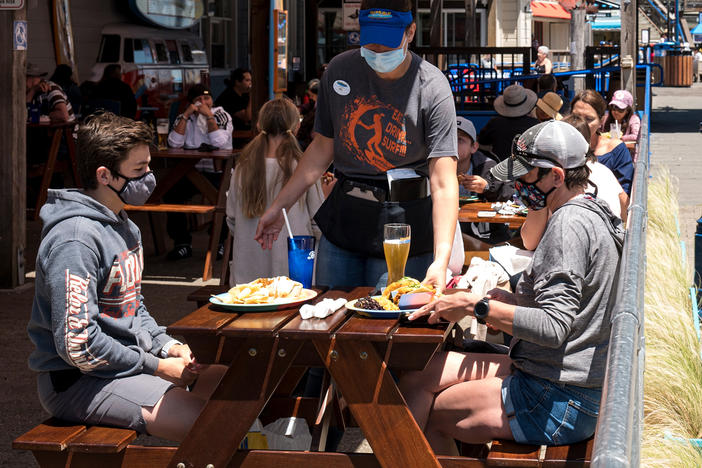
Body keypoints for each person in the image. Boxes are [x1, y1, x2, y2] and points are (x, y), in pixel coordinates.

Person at [399, 120, 624, 452]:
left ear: (557, 177)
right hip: (565, 377)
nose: (518, 183)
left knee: (435, 408)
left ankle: (403, 456)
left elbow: (554, 327)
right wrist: (514, 301)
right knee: (419, 376)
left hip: (558, 395)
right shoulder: (591, 210)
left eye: (526, 175)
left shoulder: (566, 227)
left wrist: (475, 306)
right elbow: (572, 310)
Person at [27, 112, 226, 442]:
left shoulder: (124, 225)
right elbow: (79, 345)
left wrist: (167, 345)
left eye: (149, 166)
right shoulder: (75, 240)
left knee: (228, 385)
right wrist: (156, 366)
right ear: (104, 175)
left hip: (123, 366)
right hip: (76, 381)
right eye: (139, 170)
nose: (149, 177)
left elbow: (132, 306)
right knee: (214, 425)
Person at [255, 0, 459, 292]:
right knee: (329, 310)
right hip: (346, 214)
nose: (377, 53)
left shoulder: (432, 87)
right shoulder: (340, 69)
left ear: (410, 32)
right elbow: (322, 150)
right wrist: (278, 206)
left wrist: (441, 259)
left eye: (387, 46)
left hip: (404, 220)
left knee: (387, 321)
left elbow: (443, 181)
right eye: (370, 43)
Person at [226, 98, 324, 285]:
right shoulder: (303, 167)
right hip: (293, 275)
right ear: (296, 127)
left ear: (258, 124)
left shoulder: (242, 166)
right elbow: (318, 222)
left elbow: (231, 219)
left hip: (248, 274)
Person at [519, 114, 628, 250]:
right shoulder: (605, 171)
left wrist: (536, 199)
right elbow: (625, 205)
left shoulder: (556, 189)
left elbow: (530, 241)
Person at [165, 84, 233, 260]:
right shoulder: (185, 117)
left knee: (225, 198)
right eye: (198, 100)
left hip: (218, 172)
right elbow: (174, 143)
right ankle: (182, 243)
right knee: (171, 193)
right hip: (190, 171)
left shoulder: (221, 115)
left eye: (207, 98)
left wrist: (209, 116)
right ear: (191, 103)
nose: (203, 103)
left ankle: (220, 242)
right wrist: (187, 115)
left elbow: (219, 141)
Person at [456, 116, 514, 245]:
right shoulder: (431, 168)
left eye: (460, 139)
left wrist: (487, 187)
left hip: (482, 237)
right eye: (448, 139)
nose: (453, 144)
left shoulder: (488, 167)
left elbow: (510, 195)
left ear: (474, 147)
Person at [571, 90, 634, 195]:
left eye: (589, 119)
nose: (581, 123)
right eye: (576, 117)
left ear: (601, 121)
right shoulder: (559, 146)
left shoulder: (616, 149)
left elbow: (624, 193)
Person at [478, 84, 539, 161]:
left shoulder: (495, 123)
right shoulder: (535, 124)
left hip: (500, 166)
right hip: (527, 168)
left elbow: (482, 140)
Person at [297, 79, 320, 150]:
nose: (310, 97)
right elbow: (304, 107)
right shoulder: (313, 103)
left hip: (309, 142)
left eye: (312, 95)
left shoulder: (321, 108)